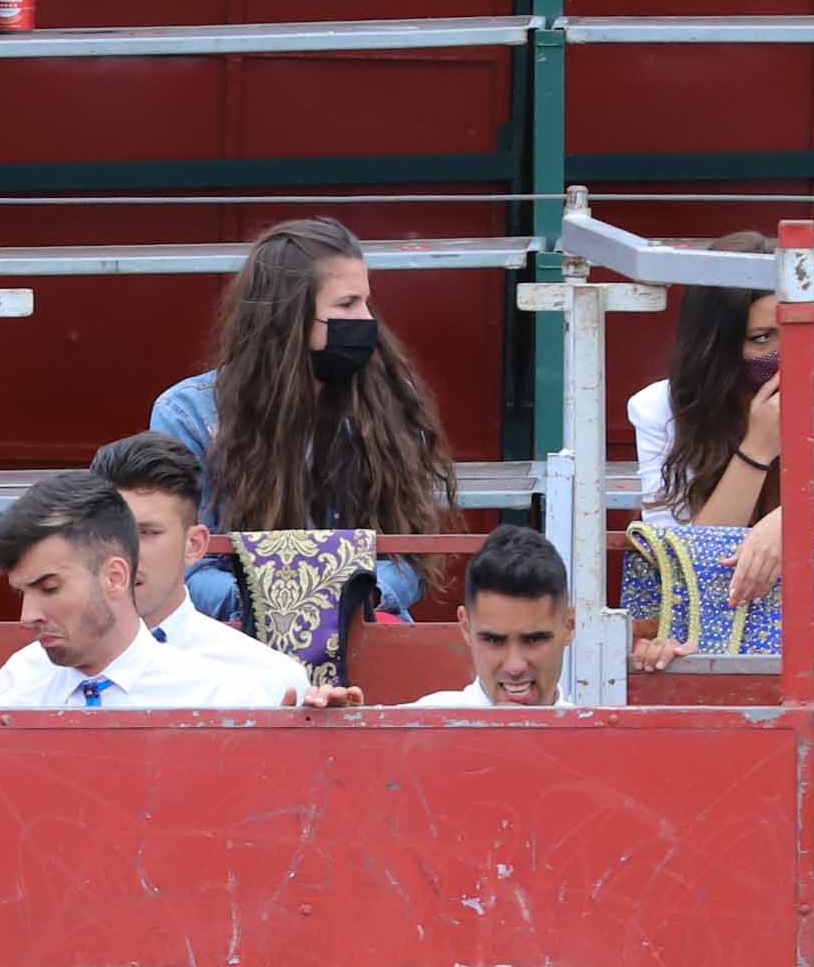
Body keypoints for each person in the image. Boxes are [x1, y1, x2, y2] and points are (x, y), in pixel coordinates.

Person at [148, 215, 458, 626]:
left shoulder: (389, 399)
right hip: (234, 642)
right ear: (289, 316)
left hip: (364, 629)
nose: (367, 320)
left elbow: (408, 555)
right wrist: (287, 608)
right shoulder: (187, 413)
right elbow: (182, 566)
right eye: (347, 304)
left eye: (366, 301)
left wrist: (354, 599)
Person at [630, 230, 814, 645]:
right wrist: (757, 449)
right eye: (760, 339)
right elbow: (686, 559)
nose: (782, 351)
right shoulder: (658, 410)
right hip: (715, 638)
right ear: (716, 347)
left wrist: (791, 522)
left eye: (792, 329)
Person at [0, 432, 310, 705]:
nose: (126, 552)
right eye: (109, 535)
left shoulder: (264, 679)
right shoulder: (25, 675)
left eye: (146, 533)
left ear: (194, 545)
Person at [408, 524, 570, 706]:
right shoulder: (418, 725)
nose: (514, 667)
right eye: (494, 641)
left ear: (569, 627)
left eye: (533, 640)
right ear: (465, 627)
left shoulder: (597, 731)